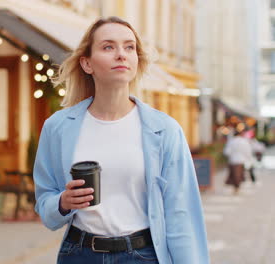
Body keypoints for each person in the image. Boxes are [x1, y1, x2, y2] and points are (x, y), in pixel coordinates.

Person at [33, 16, 209, 264]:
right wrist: (62, 202)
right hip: (79, 254)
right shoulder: (58, 127)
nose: (121, 54)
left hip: (143, 255)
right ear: (87, 63)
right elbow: (44, 204)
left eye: (129, 47)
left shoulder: (165, 130)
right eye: (108, 47)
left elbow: (182, 215)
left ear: (137, 60)